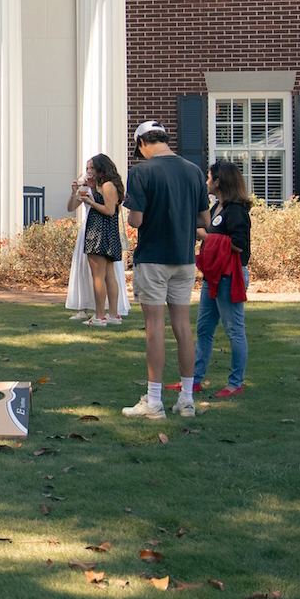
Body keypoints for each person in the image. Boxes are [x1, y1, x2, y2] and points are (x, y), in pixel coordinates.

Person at [120, 120, 209, 420]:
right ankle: (186, 400)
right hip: (184, 258)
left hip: (154, 257)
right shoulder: (194, 170)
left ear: (143, 143)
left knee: (154, 329)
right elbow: (204, 221)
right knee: (183, 328)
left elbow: (136, 221)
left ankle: (154, 401)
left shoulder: (141, 171)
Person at [193, 161, 254, 398]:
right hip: (214, 275)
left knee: (234, 329)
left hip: (230, 275)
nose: (206, 181)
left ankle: (235, 382)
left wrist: (206, 237)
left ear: (219, 181)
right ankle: (195, 379)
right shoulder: (217, 206)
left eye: (209, 177)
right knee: (204, 328)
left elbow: (239, 245)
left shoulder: (236, 210)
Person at [67, 154, 126, 326]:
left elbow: (109, 210)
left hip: (99, 232)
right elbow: (71, 207)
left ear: (102, 168)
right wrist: (75, 193)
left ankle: (100, 316)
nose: (89, 172)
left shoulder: (108, 186)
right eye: (87, 168)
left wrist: (90, 202)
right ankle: (113, 315)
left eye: (92, 168)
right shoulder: (94, 187)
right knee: (108, 275)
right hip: (105, 232)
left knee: (99, 276)